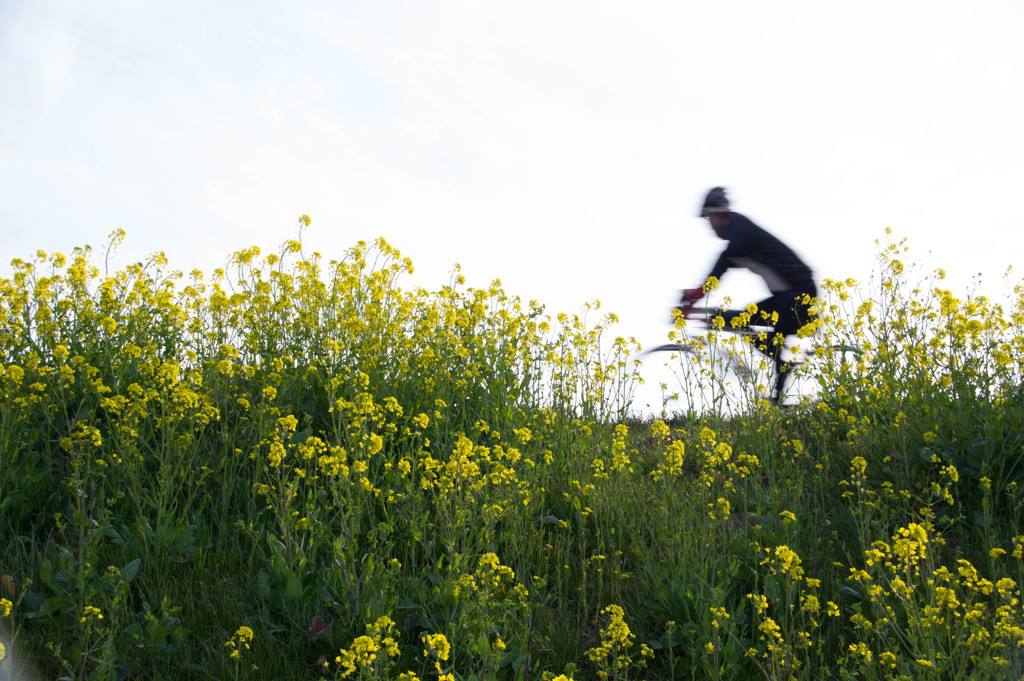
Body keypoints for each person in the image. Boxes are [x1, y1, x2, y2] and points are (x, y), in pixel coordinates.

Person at [677, 186, 818, 405]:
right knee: (749, 328)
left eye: (709, 218)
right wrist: (696, 298)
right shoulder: (738, 233)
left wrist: (694, 297)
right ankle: (780, 384)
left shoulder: (739, 230)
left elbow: (722, 263)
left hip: (800, 295)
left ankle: (779, 396)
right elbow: (720, 271)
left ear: (719, 214)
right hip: (792, 294)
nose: (709, 225)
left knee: (742, 321)